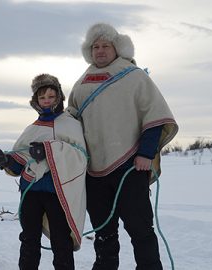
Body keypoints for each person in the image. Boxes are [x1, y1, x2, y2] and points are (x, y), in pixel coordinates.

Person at [66, 23, 179, 270]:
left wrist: (146, 153)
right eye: (95, 47)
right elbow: (70, 121)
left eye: (105, 46)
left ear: (117, 48)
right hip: (93, 170)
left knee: (140, 229)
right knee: (104, 230)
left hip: (130, 165)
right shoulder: (82, 83)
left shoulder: (134, 76)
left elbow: (155, 116)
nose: (100, 51)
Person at [0, 74, 88, 270]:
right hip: (31, 193)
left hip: (58, 194)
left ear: (59, 97)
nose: (47, 101)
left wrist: (49, 150)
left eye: (51, 97)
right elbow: (19, 162)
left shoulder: (71, 124)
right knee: (28, 239)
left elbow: (80, 157)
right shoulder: (32, 129)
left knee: (61, 241)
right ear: (36, 101)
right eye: (42, 98)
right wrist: (6, 160)